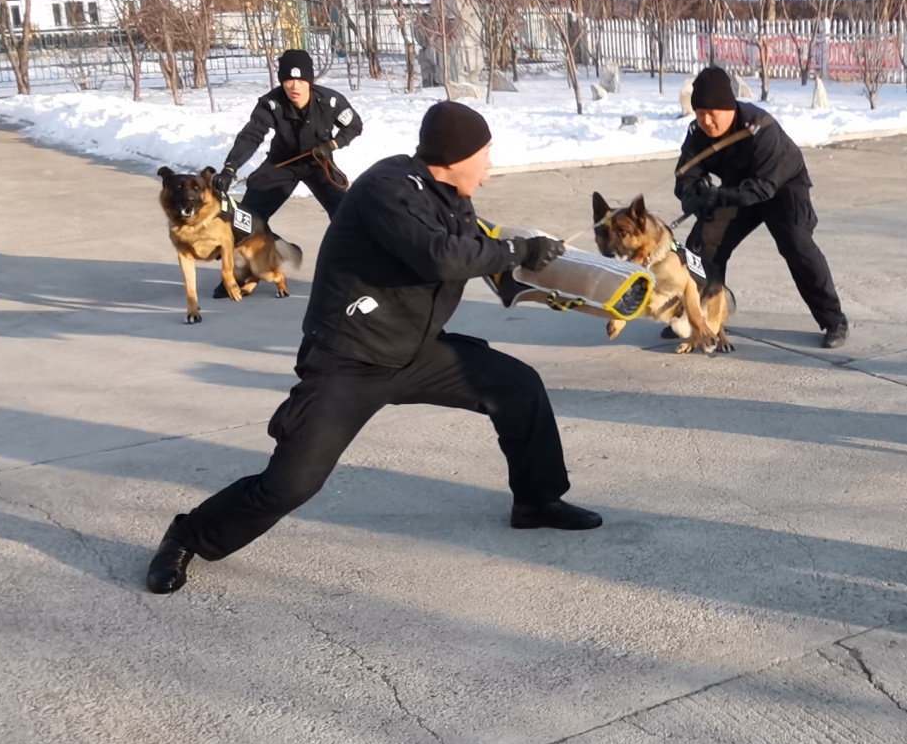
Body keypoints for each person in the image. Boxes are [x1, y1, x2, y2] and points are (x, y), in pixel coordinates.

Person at [146, 101, 599, 594]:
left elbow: (470, 248)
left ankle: (536, 502)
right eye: (484, 156)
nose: (489, 168)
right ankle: (187, 535)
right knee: (292, 484)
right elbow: (439, 255)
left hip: (414, 350)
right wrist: (518, 250)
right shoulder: (388, 188)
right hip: (349, 358)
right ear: (456, 154)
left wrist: (529, 282)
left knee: (517, 387)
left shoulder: (449, 194)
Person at [674, 65, 848, 348]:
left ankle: (834, 320)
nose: (706, 120)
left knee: (798, 245)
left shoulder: (760, 127)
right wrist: (693, 197)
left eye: (712, 113)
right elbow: (685, 174)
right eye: (700, 113)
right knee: (701, 245)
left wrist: (716, 196)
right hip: (734, 191)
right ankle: (698, 316)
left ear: (729, 108)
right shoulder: (698, 133)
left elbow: (762, 188)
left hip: (782, 188)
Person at [220, 48, 363, 231]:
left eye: (301, 80)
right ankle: (247, 256)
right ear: (282, 81)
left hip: (319, 163)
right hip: (281, 163)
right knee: (245, 222)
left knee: (347, 217)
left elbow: (354, 126)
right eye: (288, 80)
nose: (295, 87)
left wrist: (332, 145)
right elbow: (251, 135)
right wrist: (230, 167)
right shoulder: (271, 103)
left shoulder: (330, 101)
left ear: (309, 81)